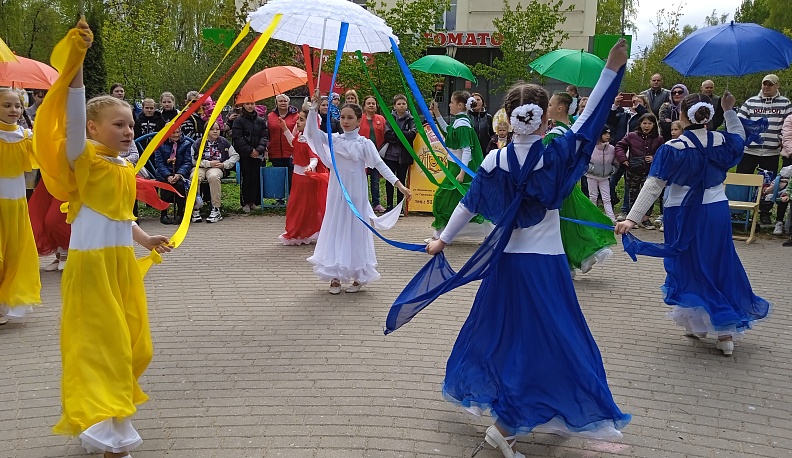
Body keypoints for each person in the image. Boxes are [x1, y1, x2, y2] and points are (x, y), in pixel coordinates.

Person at [418, 40, 631, 458]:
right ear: (540, 117)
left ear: (509, 118)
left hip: (507, 266)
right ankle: (509, 423)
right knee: (555, 340)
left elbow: (468, 202)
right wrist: (611, 71)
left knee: (509, 338)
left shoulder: (495, 162)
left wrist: (442, 239)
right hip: (546, 264)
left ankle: (522, 413)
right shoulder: (555, 154)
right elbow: (590, 121)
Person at [33, 20, 172, 457]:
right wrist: (77, 66)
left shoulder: (121, 167)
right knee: (104, 349)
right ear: (92, 129)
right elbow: (73, 115)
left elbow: (116, 217)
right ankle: (110, 438)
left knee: (135, 346)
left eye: (131, 124)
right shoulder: (84, 161)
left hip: (120, 267)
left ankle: (103, 425)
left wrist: (145, 239)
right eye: (118, 124)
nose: (129, 130)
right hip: (91, 270)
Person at [615, 92, 771, 356]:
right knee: (719, 261)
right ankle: (723, 332)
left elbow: (654, 184)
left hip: (683, 212)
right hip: (716, 211)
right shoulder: (722, 140)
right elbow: (740, 136)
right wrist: (729, 110)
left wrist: (632, 217)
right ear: (708, 115)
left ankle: (701, 323)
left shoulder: (673, 148)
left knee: (690, 263)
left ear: (682, 115)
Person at [303, 91, 412, 294]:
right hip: (337, 193)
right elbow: (312, 134)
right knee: (335, 229)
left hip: (356, 194)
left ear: (359, 120)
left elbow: (380, 165)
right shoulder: (334, 140)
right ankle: (335, 276)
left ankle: (358, 276)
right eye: (342, 117)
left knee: (355, 231)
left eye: (350, 118)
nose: (345, 121)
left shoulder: (364, 144)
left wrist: (399, 185)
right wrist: (313, 110)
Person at [544, 91, 616, 273]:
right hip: (568, 184)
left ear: (560, 108)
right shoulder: (571, 130)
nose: (548, 108)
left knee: (562, 225)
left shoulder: (555, 135)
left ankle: (576, 258)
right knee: (571, 222)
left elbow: (547, 163)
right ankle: (572, 261)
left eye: (550, 105)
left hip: (557, 186)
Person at [0, 87, 41, 325]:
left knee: (14, 255)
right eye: (6, 105)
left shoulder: (25, 136)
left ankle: (5, 302)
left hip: (15, 205)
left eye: (16, 106)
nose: (13, 110)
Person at [737, 74, 792, 230]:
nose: (766, 87)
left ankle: (765, 212)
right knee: (743, 179)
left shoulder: (785, 103)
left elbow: (788, 125)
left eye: (770, 84)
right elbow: (740, 121)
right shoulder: (750, 102)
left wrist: (781, 139)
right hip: (749, 150)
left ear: (777, 86)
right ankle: (740, 210)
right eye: (764, 84)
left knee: (768, 183)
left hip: (771, 151)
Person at [278, 107, 329, 244]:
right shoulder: (300, 137)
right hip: (297, 178)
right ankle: (299, 231)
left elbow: (314, 157)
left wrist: (310, 167)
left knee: (303, 206)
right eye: (297, 120)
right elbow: (293, 144)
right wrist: (284, 128)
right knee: (297, 205)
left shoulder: (309, 140)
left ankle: (302, 231)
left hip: (306, 179)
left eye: (301, 120)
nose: (297, 123)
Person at [615, 113, 664, 230]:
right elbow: (619, 146)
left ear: (654, 124)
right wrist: (623, 159)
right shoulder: (632, 136)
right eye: (644, 123)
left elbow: (663, 153)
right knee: (633, 193)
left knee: (649, 193)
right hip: (633, 169)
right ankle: (633, 219)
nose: (647, 126)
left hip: (650, 171)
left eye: (650, 123)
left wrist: (654, 157)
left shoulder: (659, 139)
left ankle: (646, 219)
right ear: (640, 124)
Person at [192, 122, 239, 223]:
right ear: (206, 130)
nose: (215, 131)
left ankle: (216, 208)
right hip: (201, 165)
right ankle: (195, 208)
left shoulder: (224, 142)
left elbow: (235, 156)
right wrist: (208, 163)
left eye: (217, 129)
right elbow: (191, 159)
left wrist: (224, 165)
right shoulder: (198, 142)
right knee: (194, 177)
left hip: (217, 167)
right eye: (212, 129)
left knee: (213, 176)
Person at [232, 100, 268, 213]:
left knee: (255, 177)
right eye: (247, 104)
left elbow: (265, 136)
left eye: (252, 104)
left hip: (258, 153)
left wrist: (258, 150)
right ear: (243, 105)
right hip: (245, 154)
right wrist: (249, 150)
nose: (250, 106)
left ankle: (254, 201)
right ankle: (245, 202)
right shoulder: (238, 121)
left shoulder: (260, 120)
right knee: (246, 178)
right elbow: (237, 138)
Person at [382, 94, 417, 212]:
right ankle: (389, 206)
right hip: (390, 155)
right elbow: (388, 135)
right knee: (390, 180)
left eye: (403, 104)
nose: (401, 106)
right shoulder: (390, 118)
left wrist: (397, 133)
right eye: (399, 104)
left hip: (404, 156)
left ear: (406, 105)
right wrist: (403, 135)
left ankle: (399, 207)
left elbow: (412, 135)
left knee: (401, 180)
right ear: (394, 106)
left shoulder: (411, 119)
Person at [154, 129, 193, 224]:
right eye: (173, 132)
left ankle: (180, 213)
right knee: (165, 185)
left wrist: (179, 174)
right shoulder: (160, 144)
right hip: (164, 173)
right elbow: (159, 163)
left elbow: (187, 162)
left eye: (178, 132)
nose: (176, 135)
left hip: (180, 172)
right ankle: (164, 214)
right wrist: (167, 175)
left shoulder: (186, 144)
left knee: (180, 185)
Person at [358, 95, 387, 212]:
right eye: (368, 103)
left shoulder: (381, 119)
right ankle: (363, 203)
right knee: (362, 179)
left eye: (373, 103)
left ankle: (376, 203)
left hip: (376, 154)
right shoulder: (359, 119)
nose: (371, 105)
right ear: (364, 106)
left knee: (375, 181)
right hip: (362, 155)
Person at [586, 125, 620, 222]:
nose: (608, 136)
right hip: (592, 176)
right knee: (593, 196)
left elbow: (615, 161)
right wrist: (591, 168)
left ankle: (611, 218)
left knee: (606, 198)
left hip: (604, 177)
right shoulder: (591, 147)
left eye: (609, 133)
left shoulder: (611, 148)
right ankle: (593, 217)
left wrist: (612, 169)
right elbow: (584, 161)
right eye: (605, 133)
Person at [267, 94, 299, 193]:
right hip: (275, 151)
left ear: (289, 103)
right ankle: (279, 198)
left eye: (285, 101)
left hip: (291, 152)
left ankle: (291, 196)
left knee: (291, 177)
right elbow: (267, 133)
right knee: (278, 177)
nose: (283, 103)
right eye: (280, 101)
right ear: (276, 103)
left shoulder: (296, 116)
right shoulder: (270, 116)